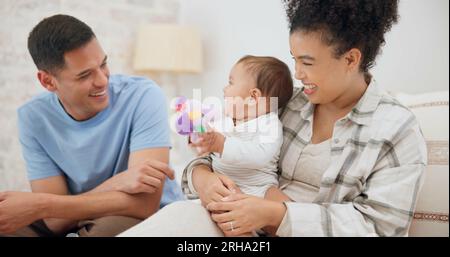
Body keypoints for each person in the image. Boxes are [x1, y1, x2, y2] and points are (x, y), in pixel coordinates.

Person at [118, 0, 427, 237]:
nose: (297, 73)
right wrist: (204, 179)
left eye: (307, 62)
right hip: (234, 224)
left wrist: (275, 214)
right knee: (175, 223)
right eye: (294, 59)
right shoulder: (284, 101)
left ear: (350, 59)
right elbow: (222, 152)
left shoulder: (396, 130)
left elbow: (380, 228)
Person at [0, 14, 184, 237]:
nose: (103, 80)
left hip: (135, 214)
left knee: (103, 233)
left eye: (103, 64)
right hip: (74, 216)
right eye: (85, 75)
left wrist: (43, 205)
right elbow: (54, 222)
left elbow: (144, 204)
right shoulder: (33, 117)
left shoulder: (143, 96)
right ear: (48, 81)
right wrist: (115, 184)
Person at [191, 55, 293, 199]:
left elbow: (259, 156)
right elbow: (207, 137)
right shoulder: (226, 117)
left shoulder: (270, 124)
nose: (224, 88)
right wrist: (198, 136)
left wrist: (221, 144)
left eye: (230, 83)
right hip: (222, 184)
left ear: (253, 97)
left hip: (257, 189)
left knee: (275, 198)